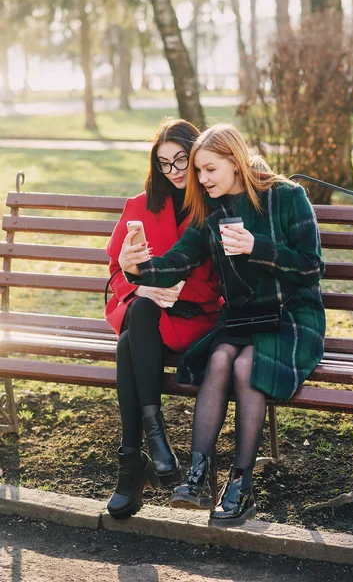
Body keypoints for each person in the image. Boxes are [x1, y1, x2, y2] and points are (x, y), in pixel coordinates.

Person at [118, 123, 326, 527]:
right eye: (198, 171)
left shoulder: (286, 196)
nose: (201, 179)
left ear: (235, 161)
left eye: (209, 169)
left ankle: (240, 485)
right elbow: (180, 259)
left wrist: (257, 247)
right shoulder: (211, 212)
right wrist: (138, 268)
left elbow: (313, 267)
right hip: (246, 316)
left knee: (247, 365)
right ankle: (196, 478)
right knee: (219, 359)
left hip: (292, 317)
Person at [105, 118, 223, 520]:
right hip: (146, 317)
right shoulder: (139, 206)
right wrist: (138, 286)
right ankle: (150, 446)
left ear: (196, 158)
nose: (173, 171)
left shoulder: (211, 203)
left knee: (129, 339)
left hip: (194, 320)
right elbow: (116, 271)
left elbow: (223, 277)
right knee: (139, 313)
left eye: (181, 161)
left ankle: (134, 465)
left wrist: (169, 290)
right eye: (163, 164)